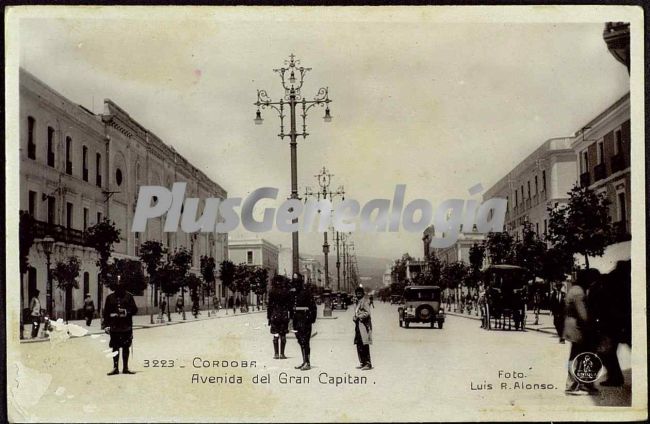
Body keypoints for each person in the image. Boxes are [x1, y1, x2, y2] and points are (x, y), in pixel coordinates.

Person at [589, 261, 630, 387]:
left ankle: (615, 378)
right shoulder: (621, 280)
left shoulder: (608, 282)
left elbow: (600, 305)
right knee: (609, 352)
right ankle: (615, 377)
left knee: (607, 352)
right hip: (621, 322)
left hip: (612, 324)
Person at [564, 269, 599, 395]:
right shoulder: (579, 292)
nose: (593, 283)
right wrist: (593, 324)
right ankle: (573, 385)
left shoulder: (574, 289)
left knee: (578, 355)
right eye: (593, 280)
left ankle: (582, 383)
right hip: (578, 328)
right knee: (579, 356)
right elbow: (583, 315)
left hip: (572, 326)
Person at [102, 278, 138, 375]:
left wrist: (127, 312)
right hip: (114, 326)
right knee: (115, 347)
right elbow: (106, 313)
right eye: (117, 286)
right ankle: (115, 368)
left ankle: (125, 368)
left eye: (121, 286)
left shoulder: (129, 297)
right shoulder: (110, 298)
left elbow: (135, 310)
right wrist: (106, 325)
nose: (119, 288)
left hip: (126, 326)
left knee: (126, 347)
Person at [291, 273, 317, 371]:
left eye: (297, 282)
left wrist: (311, 319)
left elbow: (313, 307)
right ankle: (304, 361)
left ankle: (308, 363)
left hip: (305, 319)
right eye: (294, 282)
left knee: (305, 341)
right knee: (300, 341)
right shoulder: (293, 293)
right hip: (296, 320)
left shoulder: (306, 292)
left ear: (301, 282)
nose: (296, 284)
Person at [267, 275, 291, 360]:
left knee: (276, 334)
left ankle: (276, 354)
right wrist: (290, 316)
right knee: (283, 334)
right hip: (284, 316)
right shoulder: (286, 291)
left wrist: (269, 318)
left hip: (275, 315)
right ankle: (282, 354)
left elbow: (269, 306)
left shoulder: (272, 291)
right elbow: (289, 306)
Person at [353, 286, 373, 370]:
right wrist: (354, 317)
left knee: (364, 343)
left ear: (362, 294)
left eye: (360, 294)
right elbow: (356, 313)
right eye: (357, 294)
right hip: (358, 326)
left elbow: (367, 313)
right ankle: (362, 362)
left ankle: (368, 363)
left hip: (364, 326)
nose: (358, 295)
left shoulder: (364, 302)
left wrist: (359, 317)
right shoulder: (357, 302)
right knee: (359, 344)